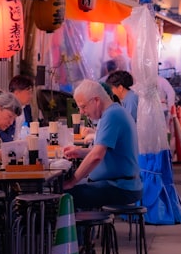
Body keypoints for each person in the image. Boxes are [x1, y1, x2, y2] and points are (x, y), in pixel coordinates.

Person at [61, 79, 143, 210]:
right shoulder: (111, 113)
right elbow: (105, 151)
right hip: (119, 183)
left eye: (83, 106)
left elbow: (97, 156)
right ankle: (84, 229)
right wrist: (80, 152)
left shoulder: (112, 115)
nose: (82, 112)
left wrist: (72, 181)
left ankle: (78, 230)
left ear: (96, 101)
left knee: (65, 195)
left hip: (120, 186)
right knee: (73, 188)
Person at [0, 74, 35, 142]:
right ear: (16, 93)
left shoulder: (27, 108)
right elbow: (0, 132)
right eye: (29, 93)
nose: (31, 96)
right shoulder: (6, 108)